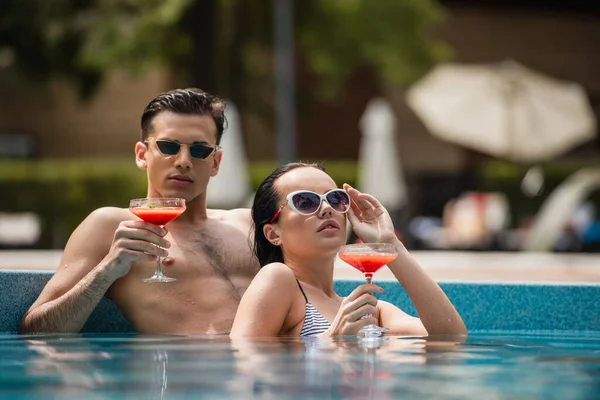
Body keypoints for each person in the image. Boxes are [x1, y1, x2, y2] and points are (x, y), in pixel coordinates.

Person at [20, 88, 260, 334]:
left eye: (199, 150)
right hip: (181, 369)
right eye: (168, 147)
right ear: (142, 155)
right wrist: (105, 272)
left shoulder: (247, 226)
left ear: (216, 163)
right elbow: (35, 329)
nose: (184, 161)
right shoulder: (110, 226)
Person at [230, 162, 467, 338]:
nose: (326, 209)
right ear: (273, 234)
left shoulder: (370, 311)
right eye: (305, 202)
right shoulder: (277, 279)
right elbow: (243, 361)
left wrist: (390, 245)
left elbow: (451, 338)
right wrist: (331, 339)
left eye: (335, 199)